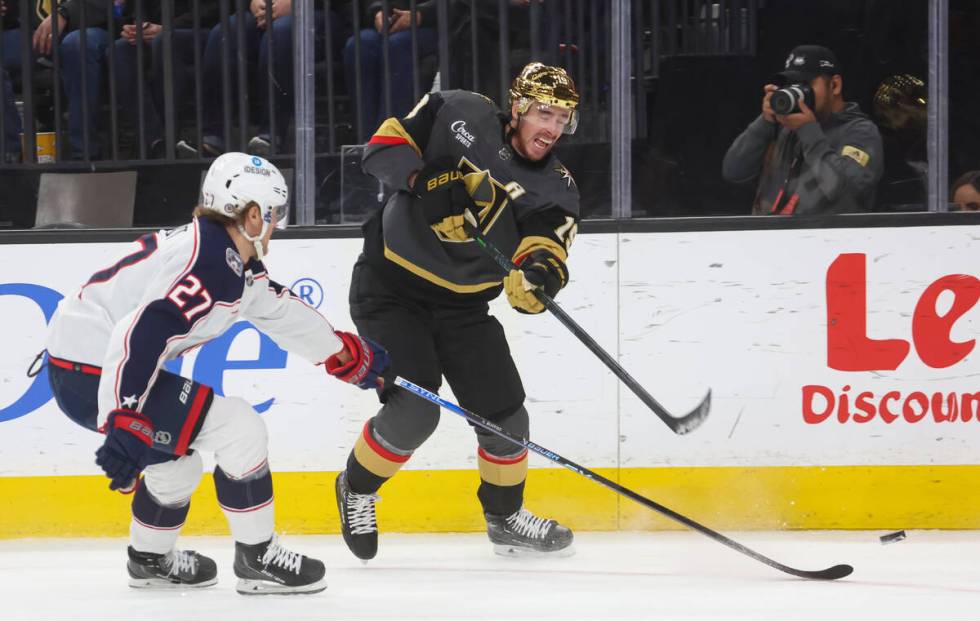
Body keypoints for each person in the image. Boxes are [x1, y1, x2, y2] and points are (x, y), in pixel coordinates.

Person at [41, 152, 389, 593]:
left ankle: (148, 560)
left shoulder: (225, 256)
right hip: (95, 370)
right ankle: (257, 558)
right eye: (273, 214)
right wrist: (124, 415)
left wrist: (341, 352)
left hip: (81, 364)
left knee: (176, 466)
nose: (276, 225)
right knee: (238, 428)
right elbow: (142, 332)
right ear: (251, 213)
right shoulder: (210, 265)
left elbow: (276, 308)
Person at [334, 62, 580, 560]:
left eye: (563, 118)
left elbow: (547, 249)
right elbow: (381, 150)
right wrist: (423, 177)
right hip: (389, 289)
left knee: (507, 419)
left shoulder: (558, 187)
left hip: (465, 307)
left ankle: (506, 517)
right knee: (415, 412)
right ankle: (356, 489)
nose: (552, 128)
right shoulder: (457, 110)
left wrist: (537, 278)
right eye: (544, 113)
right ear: (518, 108)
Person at [722, 44, 884, 215]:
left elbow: (847, 190)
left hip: (826, 238)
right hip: (770, 236)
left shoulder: (860, 131)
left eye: (806, 84)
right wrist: (764, 123)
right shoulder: (785, 126)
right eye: (791, 85)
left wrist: (809, 131)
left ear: (834, 85)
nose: (798, 92)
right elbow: (734, 171)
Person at [343, 0, 438, 142]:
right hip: (393, 18)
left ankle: (389, 141)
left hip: (436, 23)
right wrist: (378, 11)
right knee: (359, 46)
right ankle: (366, 142)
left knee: (397, 45)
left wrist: (421, 14)